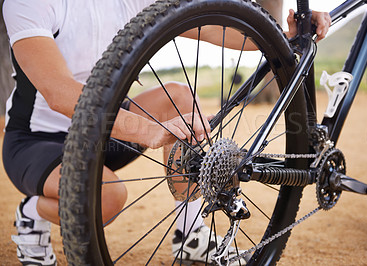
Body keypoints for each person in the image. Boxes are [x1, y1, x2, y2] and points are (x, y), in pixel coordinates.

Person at [2, 0, 331, 265]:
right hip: (38, 141)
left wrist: (282, 32)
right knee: (106, 199)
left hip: (104, 133)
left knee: (178, 97)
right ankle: (30, 213)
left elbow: (219, 29)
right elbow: (59, 94)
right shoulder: (28, 3)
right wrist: (148, 129)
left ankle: (190, 234)